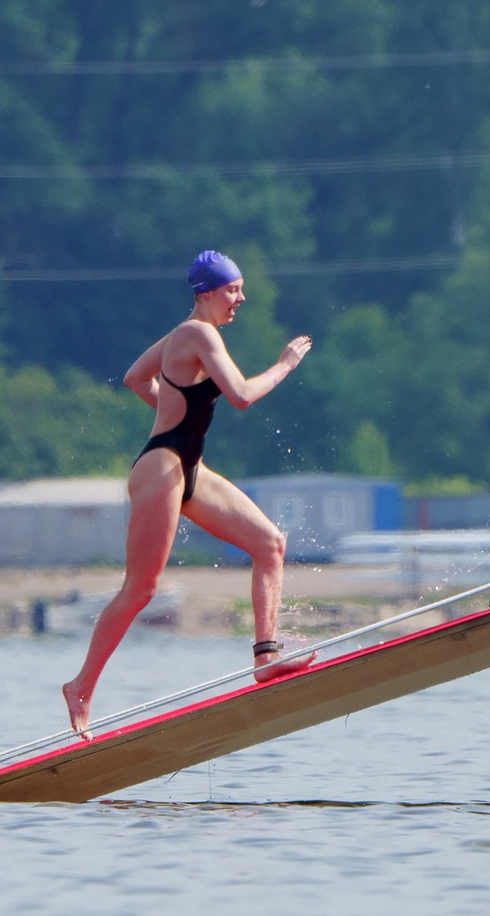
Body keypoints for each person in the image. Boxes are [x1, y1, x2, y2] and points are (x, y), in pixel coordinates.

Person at [60, 251, 313, 737]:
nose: (241, 298)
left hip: (188, 466)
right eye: (233, 290)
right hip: (162, 468)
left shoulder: (184, 334)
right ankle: (81, 687)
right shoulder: (199, 334)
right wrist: (284, 365)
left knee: (270, 545)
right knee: (141, 589)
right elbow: (241, 395)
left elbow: (136, 378)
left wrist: (173, 413)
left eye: (240, 289)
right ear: (206, 294)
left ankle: (266, 655)